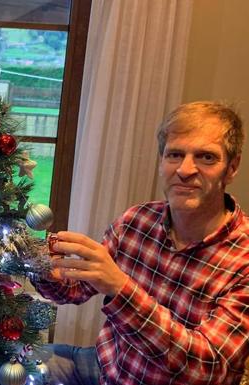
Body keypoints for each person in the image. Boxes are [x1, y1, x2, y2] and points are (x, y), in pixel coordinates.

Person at [31, 101, 249, 385]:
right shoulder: (137, 221)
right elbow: (74, 291)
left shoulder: (242, 258)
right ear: (161, 163)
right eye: (174, 155)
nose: (185, 170)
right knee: (13, 366)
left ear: (231, 168)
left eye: (206, 157)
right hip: (105, 368)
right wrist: (40, 266)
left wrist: (121, 289)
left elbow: (206, 369)